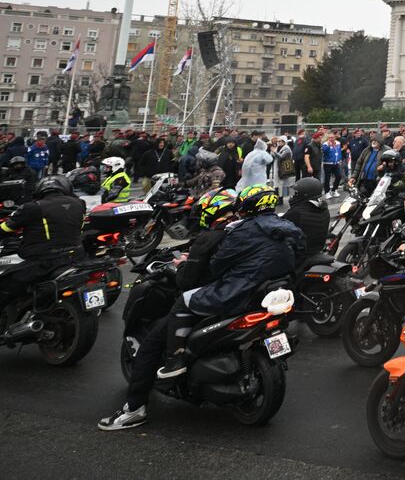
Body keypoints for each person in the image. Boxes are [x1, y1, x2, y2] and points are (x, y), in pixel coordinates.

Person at [98, 189, 240, 431]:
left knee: (150, 346)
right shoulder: (244, 231)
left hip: (209, 299)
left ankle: (134, 409)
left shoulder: (210, 238)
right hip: (239, 296)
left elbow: (188, 280)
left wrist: (180, 266)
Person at [153, 184, 304, 380]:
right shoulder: (286, 226)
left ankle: (175, 360)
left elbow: (217, 267)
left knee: (184, 300)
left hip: (241, 290)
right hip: (274, 288)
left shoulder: (242, 231)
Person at [0, 174, 85, 308]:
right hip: (76, 256)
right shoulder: (80, 203)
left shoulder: (32, 207)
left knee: (5, 283)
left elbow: (5, 228)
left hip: (44, 262)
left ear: (40, 190)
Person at [281, 176, 330, 258]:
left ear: (305, 194)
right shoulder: (323, 209)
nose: (293, 196)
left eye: (296, 193)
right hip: (316, 249)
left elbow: (281, 227)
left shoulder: (297, 212)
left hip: (300, 254)